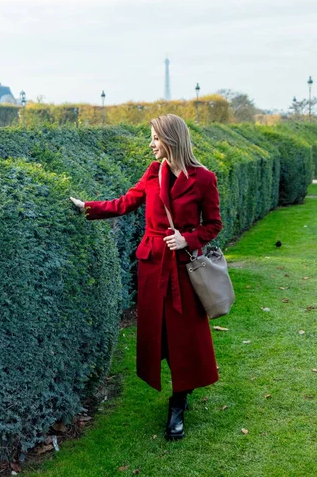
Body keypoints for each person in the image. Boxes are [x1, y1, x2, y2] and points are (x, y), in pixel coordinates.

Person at [70, 114, 223, 440]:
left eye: (155, 138)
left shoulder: (204, 179)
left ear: (171, 139)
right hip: (153, 266)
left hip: (183, 268)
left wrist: (188, 238)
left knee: (186, 337)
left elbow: (213, 224)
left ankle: (179, 401)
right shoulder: (154, 173)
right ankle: (178, 387)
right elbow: (126, 202)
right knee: (160, 333)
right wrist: (88, 207)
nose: (151, 144)